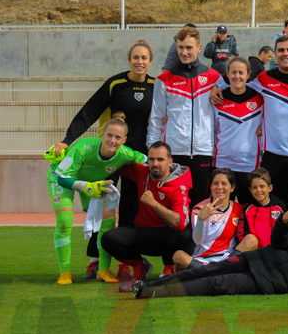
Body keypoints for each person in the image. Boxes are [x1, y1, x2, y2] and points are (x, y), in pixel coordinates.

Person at [123, 200, 288, 299]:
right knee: (210, 269)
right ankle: (153, 285)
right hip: (261, 257)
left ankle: (154, 294)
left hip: (272, 281)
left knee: (218, 284)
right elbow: (281, 242)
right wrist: (284, 221)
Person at [50, 40, 156, 237]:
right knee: (101, 204)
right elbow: (90, 111)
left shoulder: (156, 86)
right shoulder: (116, 84)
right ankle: (95, 260)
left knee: (132, 206)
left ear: (150, 62)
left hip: (136, 157)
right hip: (110, 154)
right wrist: (68, 139)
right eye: (135, 57)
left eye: (143, 58)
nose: (139, 61)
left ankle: (126, 260)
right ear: (129, 60)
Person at [46, 117, 146, 284]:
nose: (112, 140)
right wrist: (87, 187)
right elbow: (62, 178)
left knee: (109, 222)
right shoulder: (83, 148)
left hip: (92, 184)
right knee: (64, 222)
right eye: (109, 135)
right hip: (63, 178)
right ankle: (65, 271)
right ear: (102, 135)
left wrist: (172, 168)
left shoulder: (125, 153)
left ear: (124, 140)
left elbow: (147, 159)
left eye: (118, 137)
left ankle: (103, 270)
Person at [229, 35, 288, 207]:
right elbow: (237, 87)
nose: (285, 54)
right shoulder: (263, 79)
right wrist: (216, 87)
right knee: (274, 210)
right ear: (275, 55)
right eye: (281, 50)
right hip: (273, 156)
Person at [101, 141, 194, 282]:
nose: (155, 163)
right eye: (151, 159)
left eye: (160, 159)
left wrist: (154, 204)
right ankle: (141, 266)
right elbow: (116, 164)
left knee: (185, 235)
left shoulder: (178, 185)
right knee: (108, 239)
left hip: (169, 238)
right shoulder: (143, 172)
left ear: (170, 162)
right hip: (145, 234)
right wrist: (102, 149)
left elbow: (180, 223)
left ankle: (171, 266)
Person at [148, 27, 220, 206]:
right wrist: (152, 149)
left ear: (199, 48)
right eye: (180, 47)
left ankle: (198, 236)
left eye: (189, 47)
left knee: (201, 205)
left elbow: (224, 115)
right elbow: (156, 118)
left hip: (204, 151)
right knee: (174, 205)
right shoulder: (164, 79)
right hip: (174, 152)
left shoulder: (214, 77)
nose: (184, 52)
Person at [171, 168, 250, 271]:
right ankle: (216, 272)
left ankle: (213, 273)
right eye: (215, 183)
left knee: (251, 239)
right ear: (211, 186)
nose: (219, 187)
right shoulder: (199, 208)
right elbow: (198, 241)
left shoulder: (240, 209)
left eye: (224, 183)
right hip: (203, 260)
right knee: (178, 256)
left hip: (227, 259)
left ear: (232, 188)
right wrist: (201, 219)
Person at [211, 57, 263, 205]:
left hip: (250, 165)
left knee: (249, 212)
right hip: (222, 164)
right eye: (233, 72)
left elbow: (271, 122)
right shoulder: (217, 99)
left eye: (241, 72)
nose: (237, 76)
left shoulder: (260, 98)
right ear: (227, 73)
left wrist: (263, 131)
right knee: (221, 212)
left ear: (248, 75)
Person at [240, 168, 287, 249]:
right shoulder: (246, 209)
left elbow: (286, 232)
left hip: (275, 251)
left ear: (270, 188)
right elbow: (241, 234)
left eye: (262, 186)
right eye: (254, 187)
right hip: (254, 252)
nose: (258, 190)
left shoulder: (280, 207)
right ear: (250, 190)